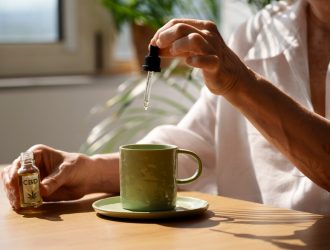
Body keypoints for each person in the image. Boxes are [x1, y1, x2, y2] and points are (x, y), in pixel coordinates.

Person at [2, 0, 330, 214]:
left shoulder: (247, 52)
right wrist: (86, 170)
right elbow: (191, 148)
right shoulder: (260, 32)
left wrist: (241, 83)